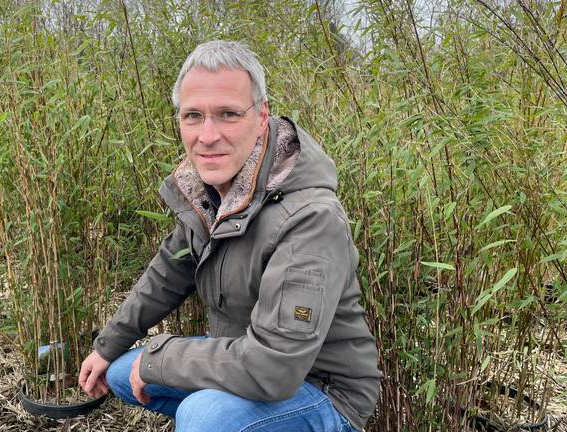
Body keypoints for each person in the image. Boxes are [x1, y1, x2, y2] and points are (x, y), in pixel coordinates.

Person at [78, 40, 381, 432]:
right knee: (122, 370)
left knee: (205, 417)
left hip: (320, 388)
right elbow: (166, 275)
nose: (208, 135)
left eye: (227, 114)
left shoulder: (310, 218)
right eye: (193, 116)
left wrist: (163, 358)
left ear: (260, 117)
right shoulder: (212, 193)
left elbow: (274, 367)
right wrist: (107, 345)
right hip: (246, 360)